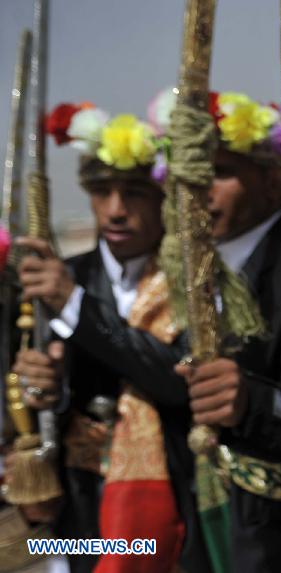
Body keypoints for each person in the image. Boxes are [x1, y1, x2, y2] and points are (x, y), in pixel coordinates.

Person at [152, 88, 281, 572]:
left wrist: (252, 401)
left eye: (221, 172)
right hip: (215, 517)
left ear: (273, 182)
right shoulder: (190, 269)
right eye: (194, 172)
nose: (200, 188)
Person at [14, 102, 210, 572]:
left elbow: (175, 380)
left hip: (175, 511)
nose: (116, 210)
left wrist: (77, 307)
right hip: (80, 516)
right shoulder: (58, 281)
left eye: (135, 193)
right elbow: (34, 395)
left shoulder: (195, 284)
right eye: (102, 192)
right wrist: (43, 389)